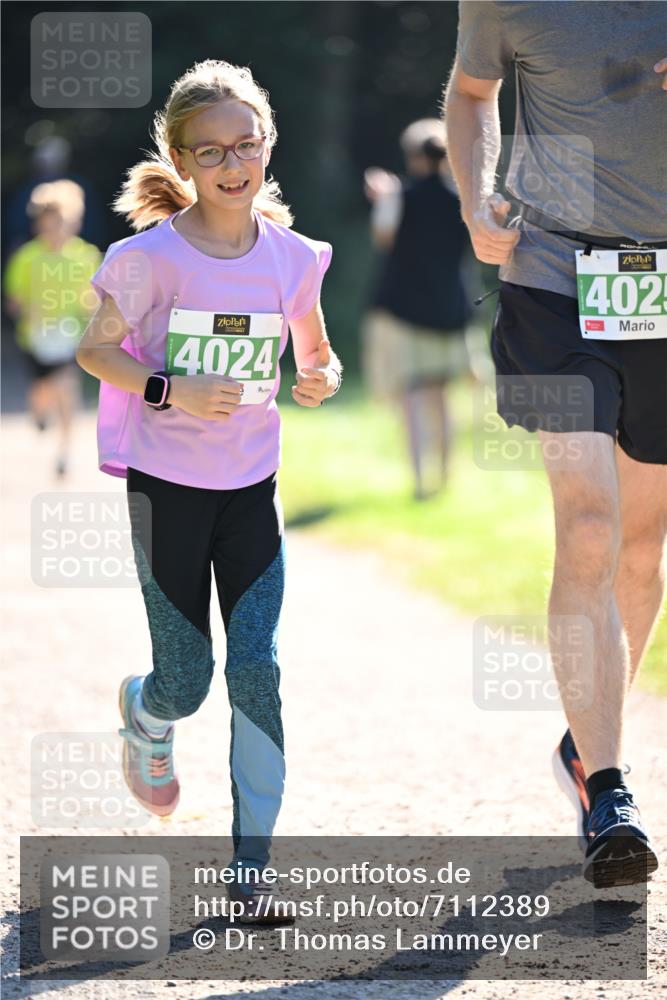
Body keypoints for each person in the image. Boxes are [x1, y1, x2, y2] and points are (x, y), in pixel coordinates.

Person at [76, 59, 341, 920]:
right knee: (187, 682)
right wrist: (167, 388)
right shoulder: (146, 257)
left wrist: (321, 377)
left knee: (256, 670)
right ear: (182, 161)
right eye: (212, 151)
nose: (234, 164)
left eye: (246, 144)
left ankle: (252, 872)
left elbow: (316, 351)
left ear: (267, 144)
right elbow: (96, 351)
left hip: (250, 491)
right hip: (167, 491)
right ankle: (146, 712)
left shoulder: (293, 258)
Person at [445, 1, 666, 888]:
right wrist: (473, 199)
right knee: (586, 525)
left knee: (643, 553)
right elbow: (469, 95)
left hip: (662, 290)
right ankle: (609, 789)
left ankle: (585, 745)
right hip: (550, 277)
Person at [363, 119, 472, 499]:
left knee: (410, 399)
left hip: (403, 311)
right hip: (450, 312)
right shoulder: (462, 200)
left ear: (412, 156)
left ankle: (419, 481)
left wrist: (386, 198)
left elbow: (383, 238)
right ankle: (444, 478)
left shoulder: (401, 196)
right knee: (441, 398)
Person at [4, 179, 101, 477]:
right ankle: (39, 411)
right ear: (39, 225)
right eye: (48, 224)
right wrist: (24, 308)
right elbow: (13, 299)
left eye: (60, 223)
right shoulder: (26, 257)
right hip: (35, 338)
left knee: (66, 389)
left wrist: (92, 309)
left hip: (70, 336)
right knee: (42, 389)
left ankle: (64, 453)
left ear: (73, 222)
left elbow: (96, 296)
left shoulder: (86, 256)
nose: (54, 231)